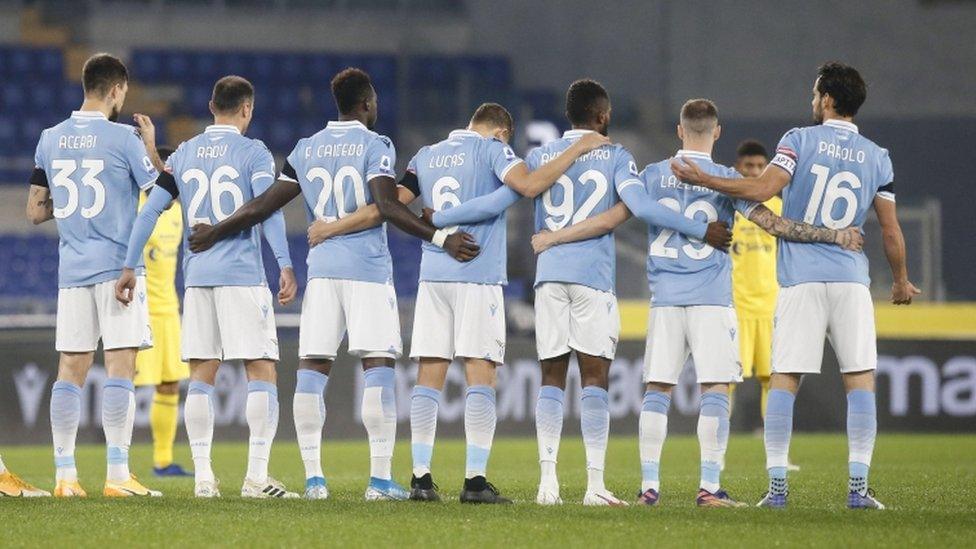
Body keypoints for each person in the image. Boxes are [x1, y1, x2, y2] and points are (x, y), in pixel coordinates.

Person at [538, 98, 861, 506]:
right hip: (712, 300)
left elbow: (619, 214)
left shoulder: (652, 175)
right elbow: (775, 224)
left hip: (665, 301)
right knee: (714, 391)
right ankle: (709, 488)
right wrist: (835, 236)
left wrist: (553, 237)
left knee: (657, 391)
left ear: (678, 130)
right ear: (718, 131)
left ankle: (649, 488)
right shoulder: (727, 180)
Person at [430, 79, 730, 506]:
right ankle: (594, 485)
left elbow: (504, 199)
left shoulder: (538, 156)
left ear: (568, 116)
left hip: (549, 277)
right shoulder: (616, 155)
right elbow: (641, 209)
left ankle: (547, 485)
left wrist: (442, 217)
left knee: (550, 378)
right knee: (595, 378)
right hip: (592, 277)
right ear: (603, 117)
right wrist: (703, 229)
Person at [186, 68, 477, 501]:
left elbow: (263, 205)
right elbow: (386, 207)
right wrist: (441, 238)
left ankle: (314, 480)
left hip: (320, 273)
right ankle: (379, 481)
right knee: (377, 366)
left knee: (312, 369)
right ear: (366, 104)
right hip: (366, 270)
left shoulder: (306, 148)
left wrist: (216, 230)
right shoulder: (375, 145)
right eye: (374, 101)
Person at [671, 63, 920, 510]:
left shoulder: (798, 140)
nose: (811, 99)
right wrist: (900, 279)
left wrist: (705, 178)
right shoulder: (878, 155)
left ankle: (779, 490)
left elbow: (764, 187)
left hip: (800, 278)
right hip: (850, 278)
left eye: (814, 92)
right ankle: (859, 490)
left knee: (784, 379)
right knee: (860, 380)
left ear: (826, 99)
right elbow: (890, 230)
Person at [116, 75, 297, 499]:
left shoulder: (183, 154)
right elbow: (266, 212)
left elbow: (149, 214)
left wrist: (128, 264)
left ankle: (203, 479)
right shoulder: (253, 152)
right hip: (241, 277)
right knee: (262, 369)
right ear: (247, 110)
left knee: (201, 375)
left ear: (212, 104)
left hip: (197, 281)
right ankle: (256, 478)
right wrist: (285, 264)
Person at [27, 53, 163, 498]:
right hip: (116, 267)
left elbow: (34, 211)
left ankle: (65, 477)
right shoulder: (123, 138)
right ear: (117, 89)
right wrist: (151, 149)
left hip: (72, 270)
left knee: (71, 369)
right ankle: (118, 476)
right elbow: (161, 191)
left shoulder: (49, 139)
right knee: (121, 366)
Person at [133, 145, 192, 477]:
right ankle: (118, 464)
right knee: (125, 382)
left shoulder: (179, 211)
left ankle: (163, 461)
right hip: (140, 309)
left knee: (170, 384)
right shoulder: (139, 206)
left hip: (170, 310)